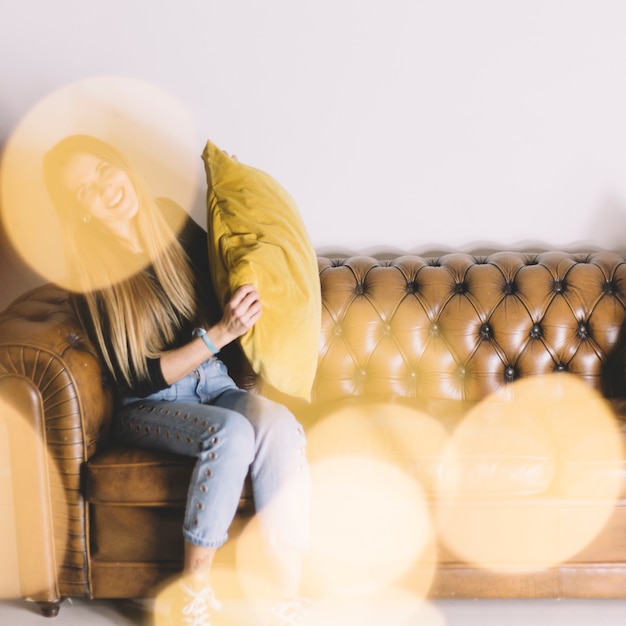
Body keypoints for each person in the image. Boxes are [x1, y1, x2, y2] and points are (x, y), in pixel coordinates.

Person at [43, 134, 311, 626]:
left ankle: (281, 594)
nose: (104, 189)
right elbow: (136, 378)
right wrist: (217, 335)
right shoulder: (90, 272)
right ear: (79, 210)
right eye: (85, 191)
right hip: (149, 402)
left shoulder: (168, 218)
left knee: (277, 423)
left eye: (104, 170)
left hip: (215, 383)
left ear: (120, 164)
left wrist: (242, 221)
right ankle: (192, 597)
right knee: (230, 434)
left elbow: (219, 280)